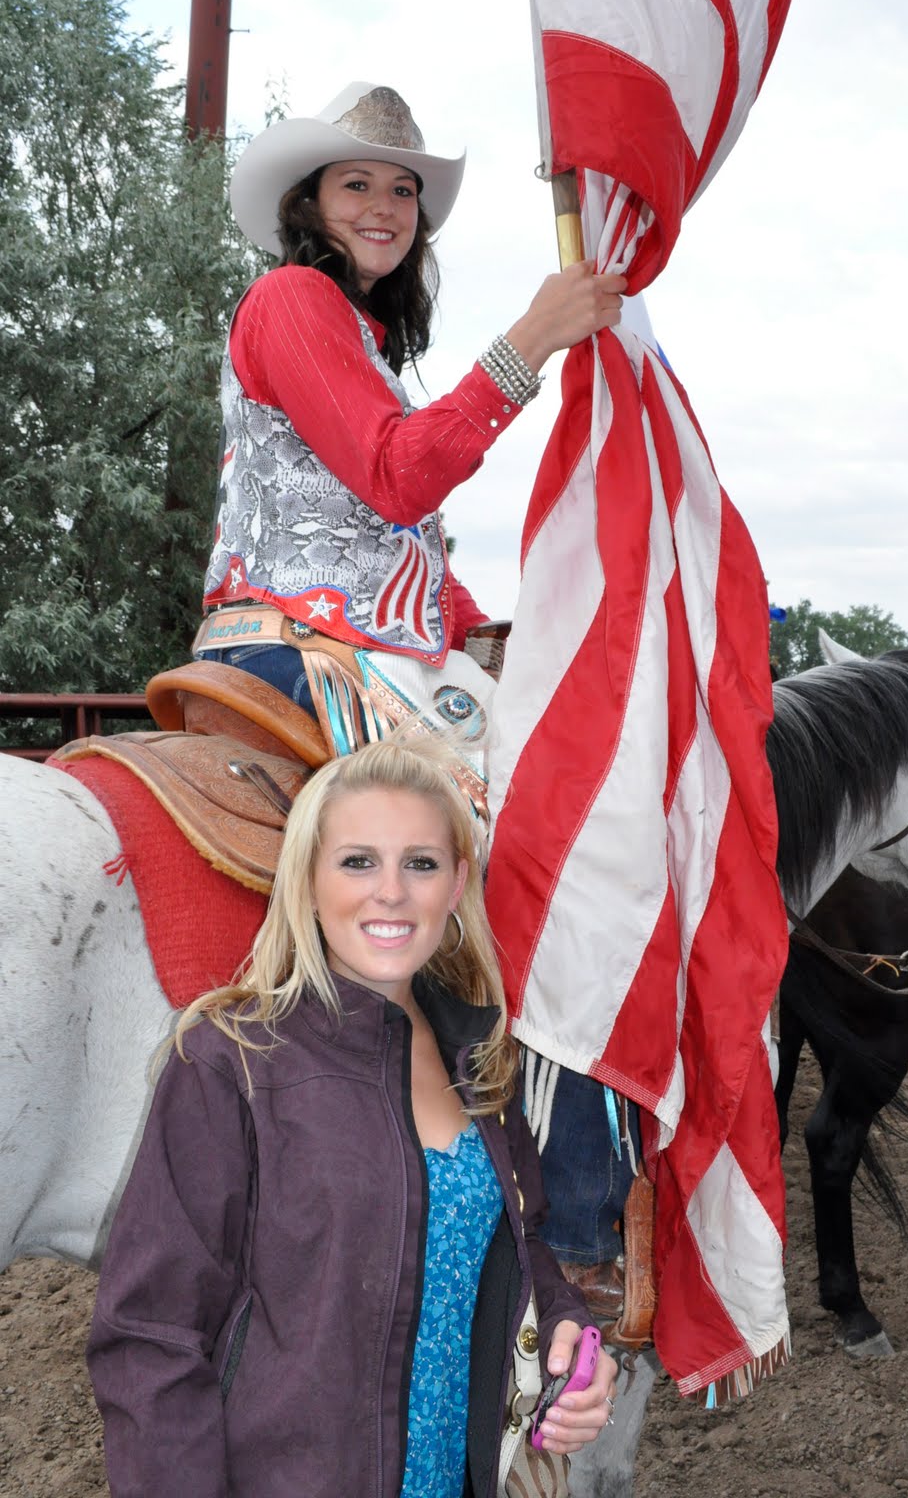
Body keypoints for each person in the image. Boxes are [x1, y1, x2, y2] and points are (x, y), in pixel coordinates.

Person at [86, 731, 617, 1496]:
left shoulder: (479, 1054)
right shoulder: (228, 1063)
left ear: (456, 882)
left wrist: (568, 1328)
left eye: (421, 864)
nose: (391, 892)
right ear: (306, 880)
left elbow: (518, 1241)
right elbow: (150, 1337)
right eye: (358, 861)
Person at [195, 79, 626, 782]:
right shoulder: (290, 296)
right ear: (308, 204)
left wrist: (493, 637)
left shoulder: (356, 337)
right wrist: (533, 337)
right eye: (357, 185)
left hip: (349, 647)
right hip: (307, 654)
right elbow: (400, 480)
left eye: (402, 191)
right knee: (529, 817)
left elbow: (387, 537)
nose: (384, 207)